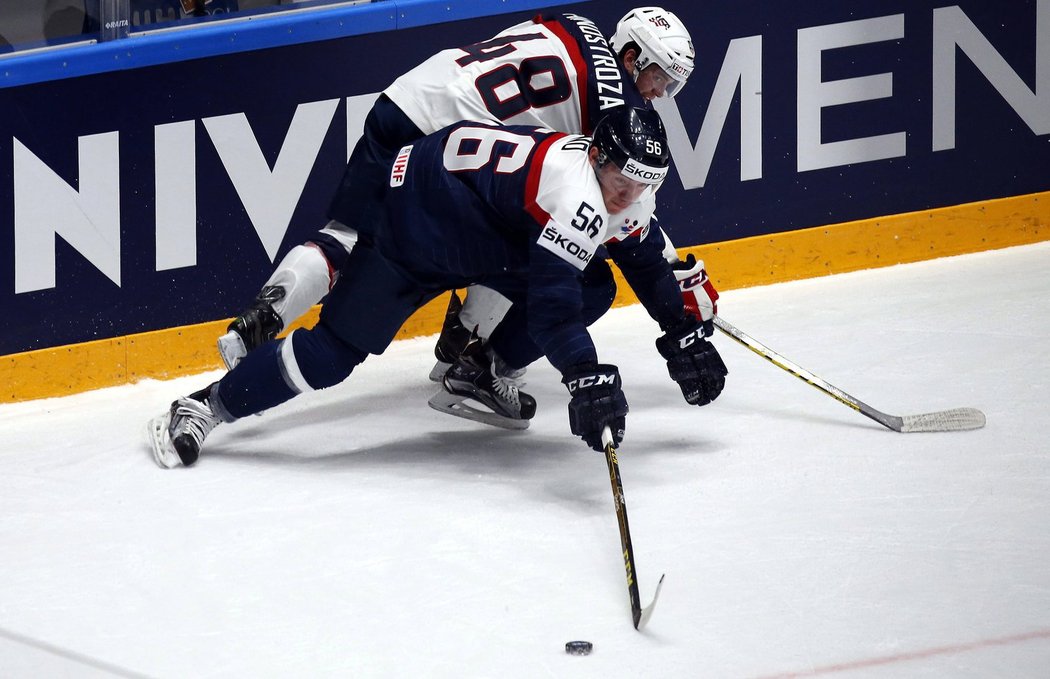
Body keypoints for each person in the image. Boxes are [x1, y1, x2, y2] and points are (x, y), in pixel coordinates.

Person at [148, 106, 727, 468]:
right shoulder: (573, 192)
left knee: (592, 286)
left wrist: (684, 334)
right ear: (597, 157)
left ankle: (478, 372)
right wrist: (584, 377)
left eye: (643, 184)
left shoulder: (620, 186)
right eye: (622, 181)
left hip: (487, 223)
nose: (628, 197)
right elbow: (551, 314)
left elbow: (647, 261)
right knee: (332, 355)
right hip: (418, 222)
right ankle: (205, 405)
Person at [216, 7, 696, 372]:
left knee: (344, 233)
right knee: (531, 241)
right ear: (632, 57)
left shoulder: (574, 22)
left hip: (410, 95)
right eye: (659, 77)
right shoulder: (613, 107)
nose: (658, 93)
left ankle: (259, 320)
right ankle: (466, 348)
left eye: (671, 86)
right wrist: (672, 268)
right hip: (443, 144)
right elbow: (623, 213)